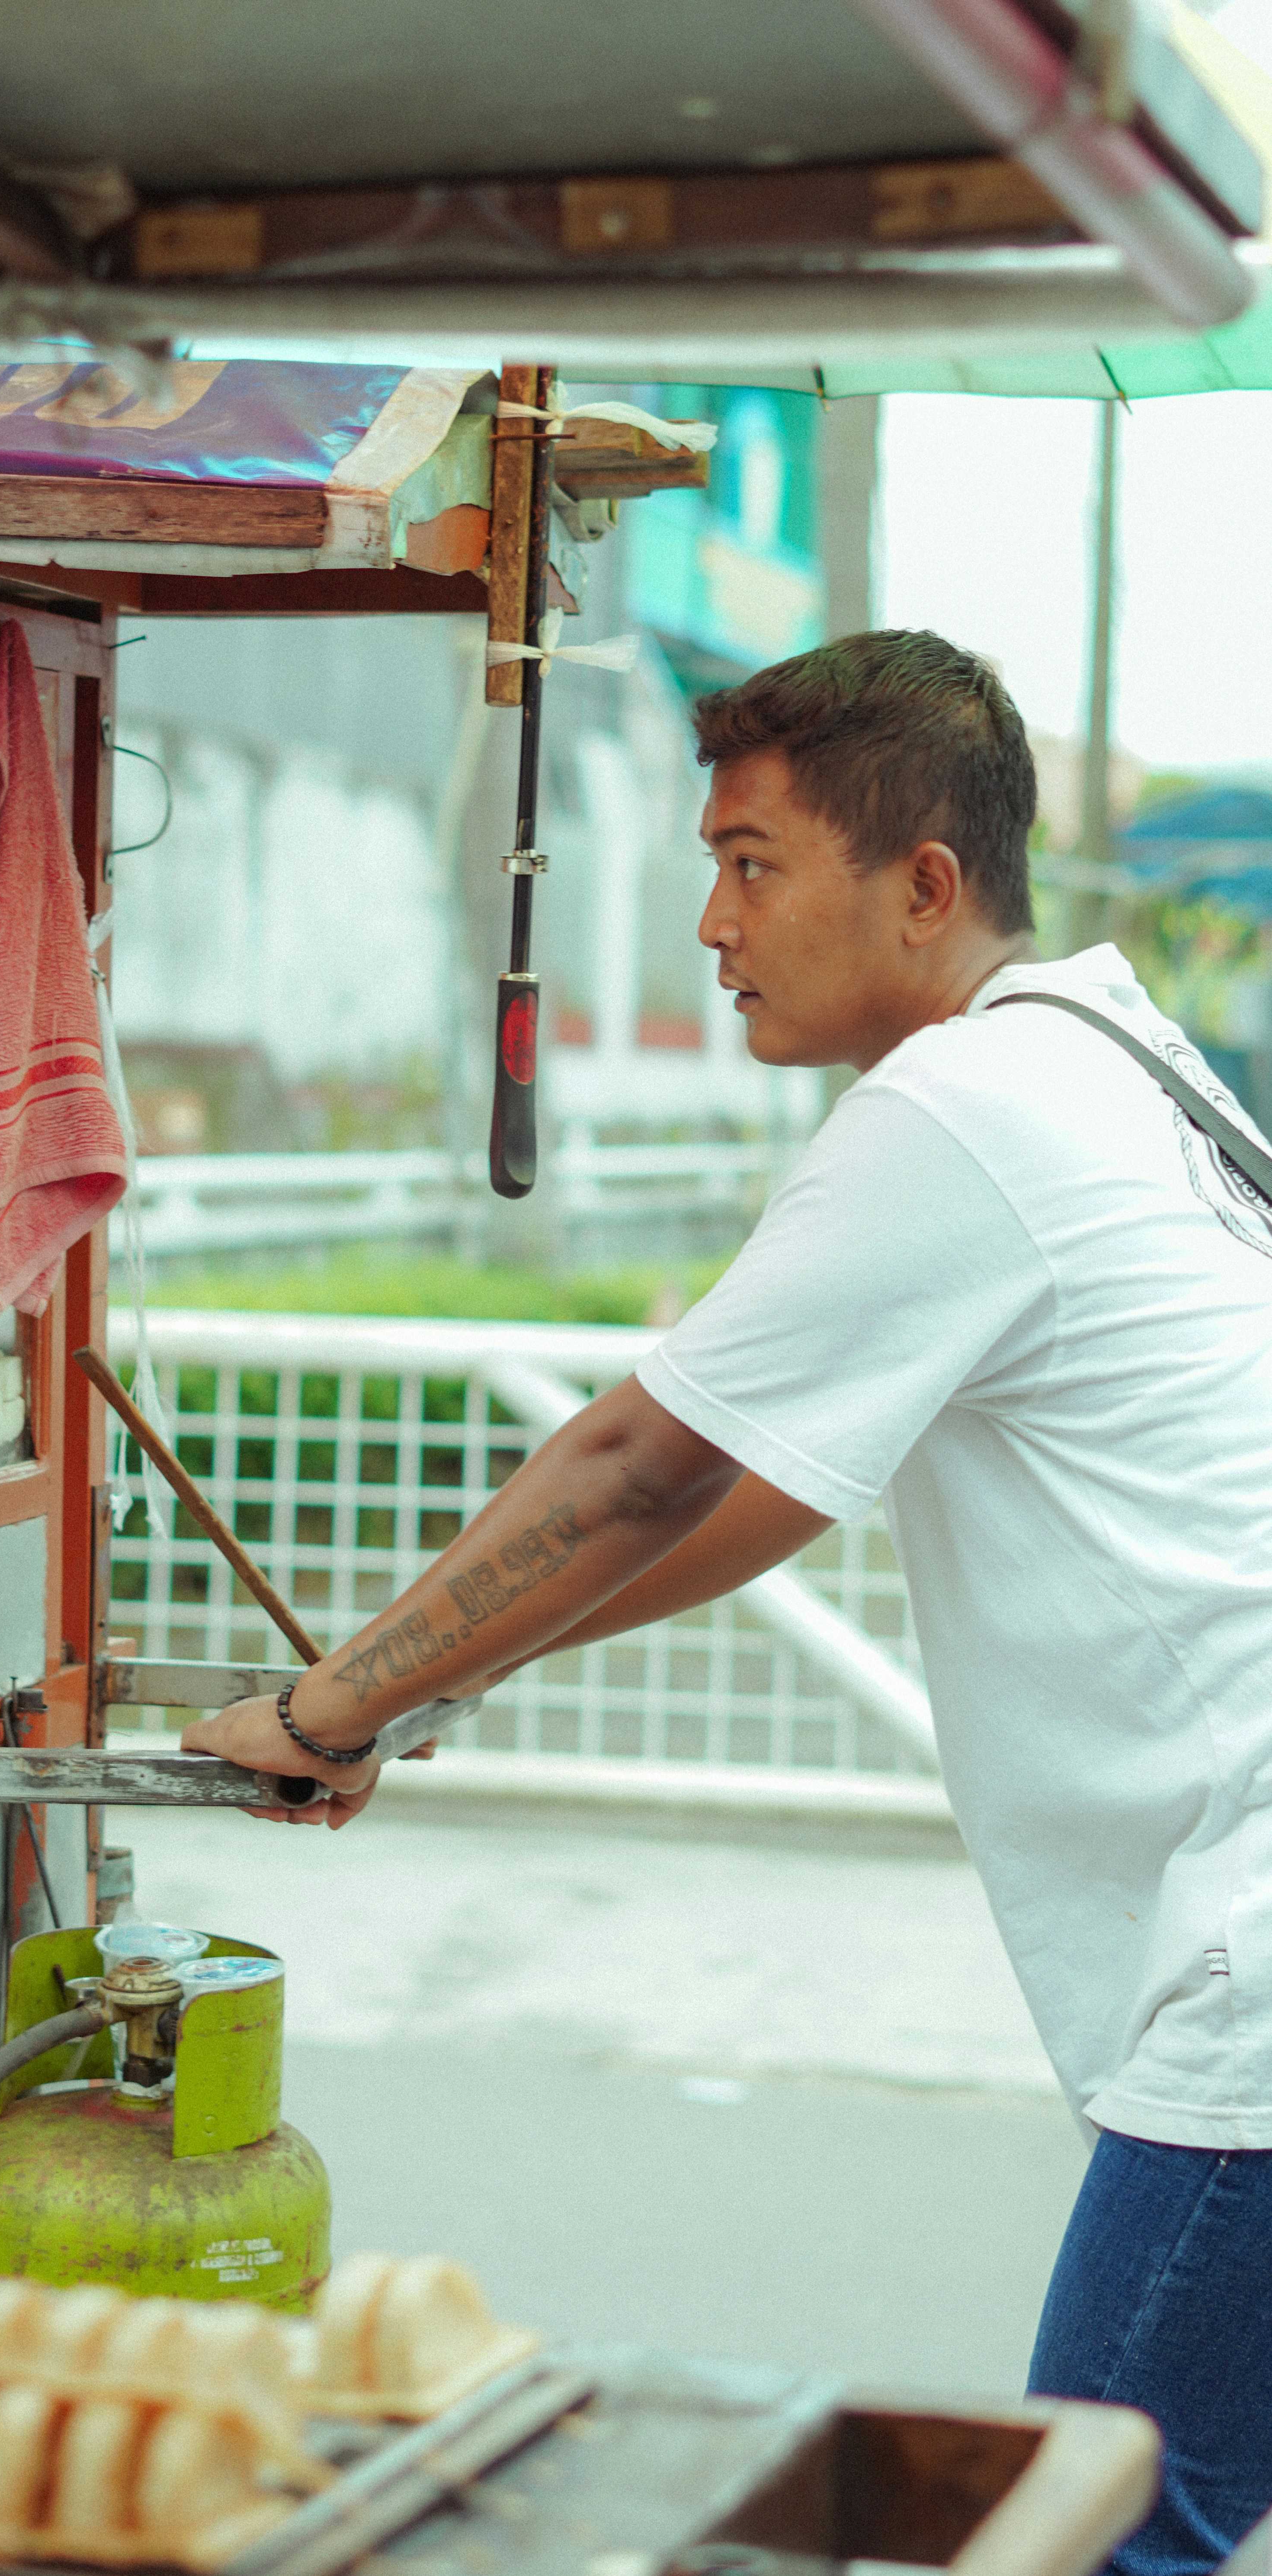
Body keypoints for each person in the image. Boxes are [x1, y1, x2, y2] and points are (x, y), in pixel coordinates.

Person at [183, 628, 1272, 2576]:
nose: (707, 920)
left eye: (755, 864)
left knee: (1104, 2529)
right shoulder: (1119, 1053)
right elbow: (760, 1493)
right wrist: (423, 1693)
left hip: (1257, 1975)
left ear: (923, 885)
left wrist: (327, 1701)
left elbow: (635, 1460)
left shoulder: (965, 1113)